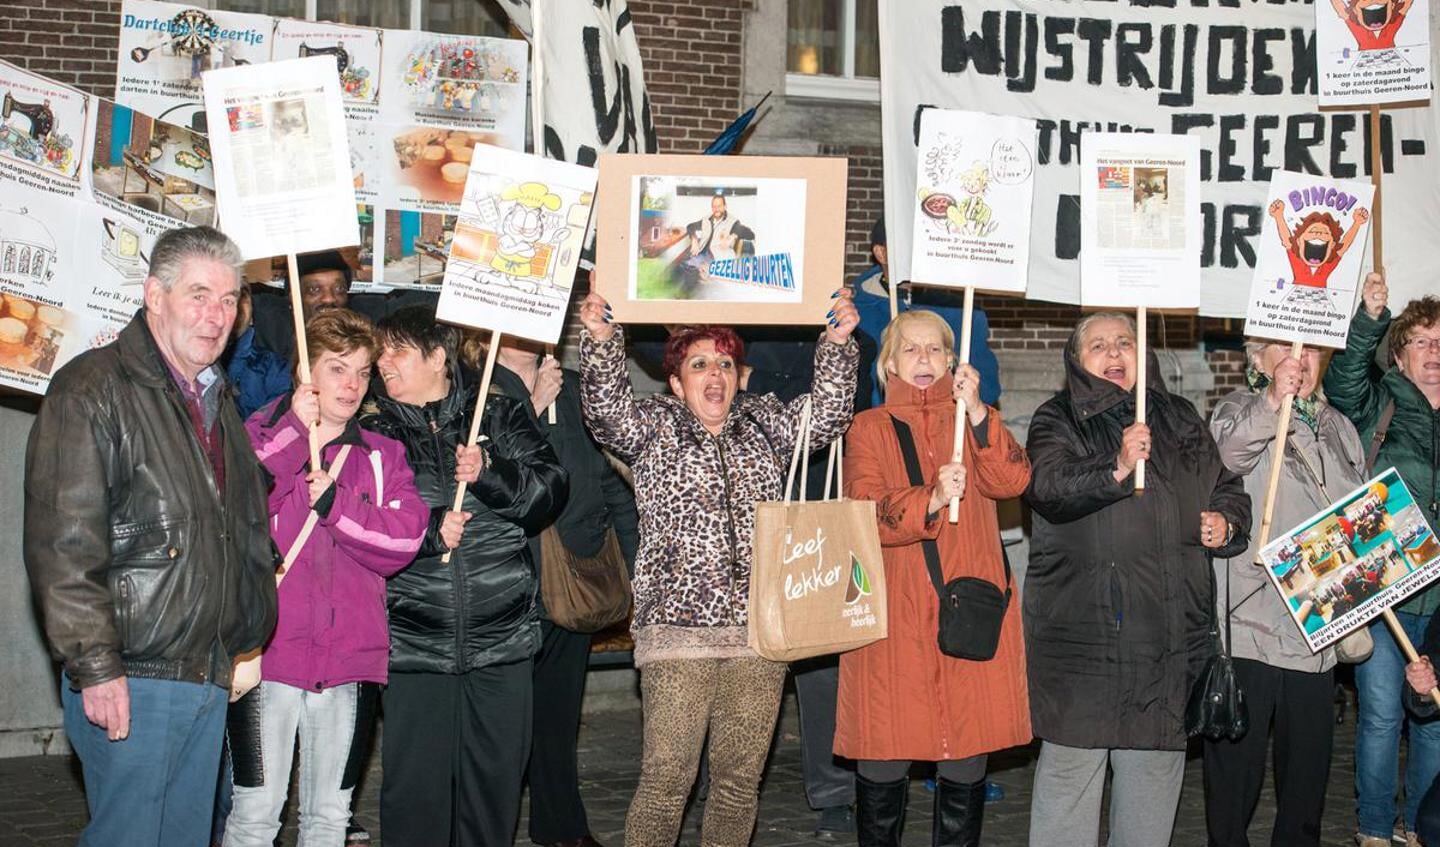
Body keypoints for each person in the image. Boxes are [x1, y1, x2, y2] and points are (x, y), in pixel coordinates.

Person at [576, 285, 859, 847]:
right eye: (699, 364)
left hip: (759, 633)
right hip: (677, 635)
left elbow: (827, 416)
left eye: (725, 363)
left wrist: (837, 343)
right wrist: (603, 341)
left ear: (739, 375)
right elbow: (606, 411)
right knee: (665, 782)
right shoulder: (652, 426)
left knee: (736, 783)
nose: (715, 374)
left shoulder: (764, 424)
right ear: (677, 382)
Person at [23, 225, 279, 847]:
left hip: (206, 670)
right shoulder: (92, 389)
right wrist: (96, 666)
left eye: (227, 300)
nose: (215, 316)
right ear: (153, 296)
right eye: (198, 295)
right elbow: (64, 548)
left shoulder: (218, 401)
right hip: (135, 675)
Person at [1022, 312, 1251, 847]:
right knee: (1068, 787)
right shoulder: (1056, 419)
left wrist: (1227, 522)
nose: (1115, 353)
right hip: (1085, 644)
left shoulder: (1180, 418)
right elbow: (1049, 487)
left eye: (1126, 341)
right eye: (1098, 345)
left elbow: (1227, 486)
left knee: (1151, 791)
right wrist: (1117, 465)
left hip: (1167, 642)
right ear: (1076, 362)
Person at [223, 309, 429, 847]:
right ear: (305, 372)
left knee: (329, 819)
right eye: (337, 368)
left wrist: (338, 507)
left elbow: (403, 541)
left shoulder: (385, 455)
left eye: (362, 371)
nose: (352, 384)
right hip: (268, 657)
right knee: (254, 816)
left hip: (352, 662)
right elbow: (239, 504)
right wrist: (294, 430)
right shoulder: (259, 432)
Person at [363, 306, 567, 847]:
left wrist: (490, 474)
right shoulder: (371, 434)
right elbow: (360, 522)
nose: (383, 363)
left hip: (501, 639)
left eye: (397, 350)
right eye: (381, 352)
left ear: (437, 357)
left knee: (494, 791)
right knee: (414, 795)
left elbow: (548, 492)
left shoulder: (496, 415)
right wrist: (428, 533)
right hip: (412, 640)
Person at [835, 309, 1031, 847]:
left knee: (966, 754)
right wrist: (932, 498)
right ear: (889, 363)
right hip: (894, 619)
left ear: (953, 360)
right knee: (884, 754)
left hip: (967, 611)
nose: (924, 359)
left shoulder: (972, 419)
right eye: (910, 349)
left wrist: (979, 415)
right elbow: (865, 510)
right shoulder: (869, 428)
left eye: (935, 349)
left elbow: (1014, 478)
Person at [464, 334, 640, 847]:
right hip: (509, 583)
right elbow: (495, 482)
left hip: (574, 579)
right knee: (506, 727)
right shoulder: (476, 394)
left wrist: (636, 567)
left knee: (558, 719)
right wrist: (533, 409)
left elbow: (608, 483)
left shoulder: (577, 389)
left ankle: (561, 827)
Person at [1204, 339, 1367, 847]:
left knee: (1306, 779)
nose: (1303, 361)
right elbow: (1226, 458)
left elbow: (1358, 508)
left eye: (1315, 353)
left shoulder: (1339, 427)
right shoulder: (1238, 408)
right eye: (1287, 349)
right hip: (1252, 620)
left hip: (1316, 625)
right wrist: (1274, 401)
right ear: (1258, 360)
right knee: (1237, 775)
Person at [1324, 274, 1440, 847]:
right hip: (1386, 596)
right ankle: (1373, 828)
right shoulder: (1381, 404)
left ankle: (1420, 826)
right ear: (1398, 353)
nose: (1434, 351)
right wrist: (1370, 317)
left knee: (1435, 723)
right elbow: (1343, 384)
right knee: (1381, 720)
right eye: (1421, 339)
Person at [850, 217, 1000, 409]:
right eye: (909, 245)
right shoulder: (857, 315)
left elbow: (987, 389)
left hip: (947, 431)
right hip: (879, 434)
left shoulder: (962, 313)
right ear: (881, 253)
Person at [225, 284, 291, 419]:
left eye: (240, 296)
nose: (234, 305)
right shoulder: (185, 363)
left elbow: (275, 430)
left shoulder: (274, 370)